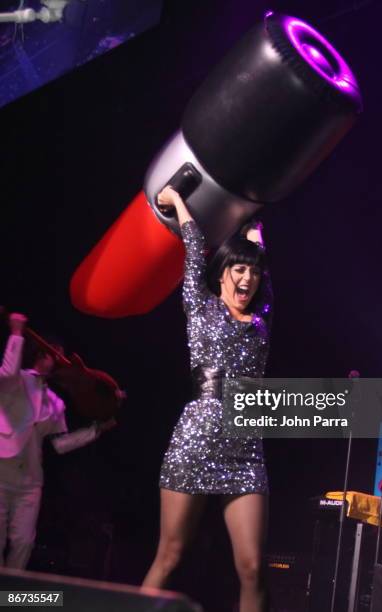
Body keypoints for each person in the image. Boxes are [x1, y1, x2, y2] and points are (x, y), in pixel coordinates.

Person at [143, 186, 272, 612]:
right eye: (238, 271)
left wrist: (256, 239)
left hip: (245, 450)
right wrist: (178, 201)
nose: (247, 280)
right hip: (196, 442)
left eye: (252, 274)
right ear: (221, 274)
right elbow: (195, 248)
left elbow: (261, 266)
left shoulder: (261, 321)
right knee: (170, 556)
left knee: (252, 566)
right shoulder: (201, 306)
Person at [0, 313, 116, 569]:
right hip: (1, 472)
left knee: (24, 542)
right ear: (42, 354)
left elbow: (60, 444)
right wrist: (16, 334)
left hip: (29, 481)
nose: (59, 359)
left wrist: (96, 430)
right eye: (55, 353)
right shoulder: (15, 380)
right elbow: (6, 373)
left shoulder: (55, 402)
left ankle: (8, 599)